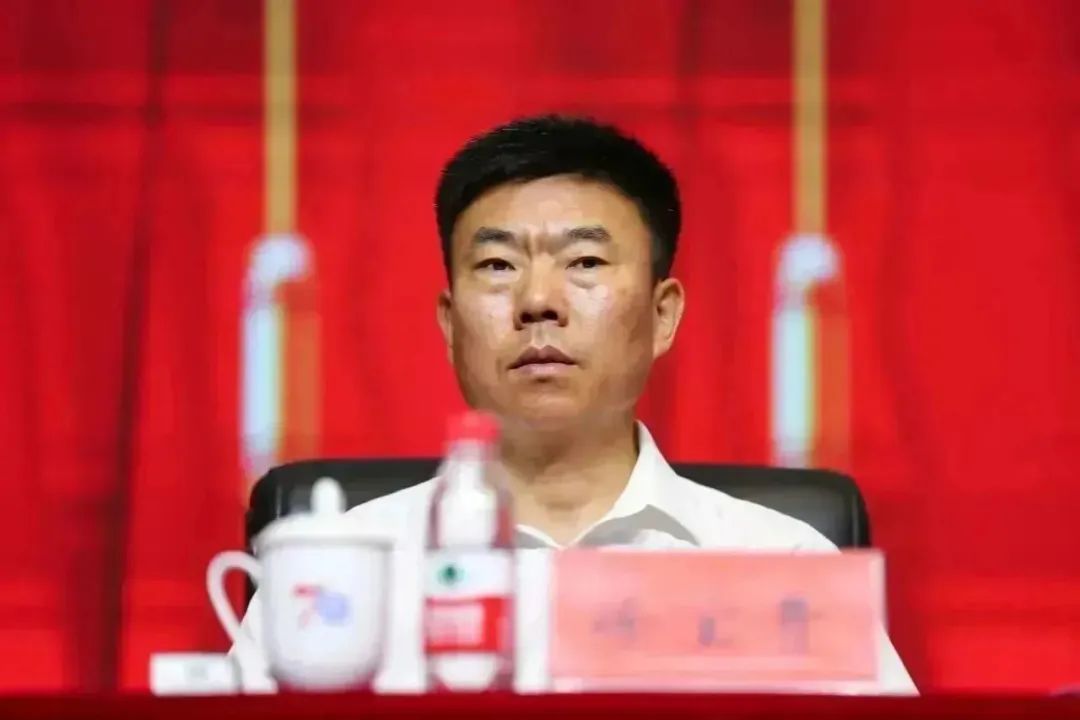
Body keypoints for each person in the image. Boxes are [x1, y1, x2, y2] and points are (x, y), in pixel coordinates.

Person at [229, 114, 917, 694]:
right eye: (498, 266)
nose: (538, 301)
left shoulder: (783, 566)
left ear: (662, 315)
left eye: (584, 262)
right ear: (449, 323)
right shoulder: (326, 576)